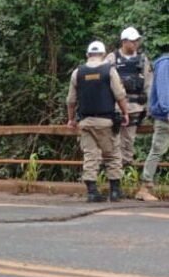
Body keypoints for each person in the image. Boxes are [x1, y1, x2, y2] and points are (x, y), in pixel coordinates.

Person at [66, 40, 129, 202]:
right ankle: (114, 192)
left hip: (85, 122)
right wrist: (125, 113)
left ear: (87, 55)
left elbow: (71, 101)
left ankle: (92, 192)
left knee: (90, 156)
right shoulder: (109, 71)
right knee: (113, 155)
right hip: (106, 121)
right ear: (103, 55)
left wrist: (71, 119)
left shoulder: (77, 73)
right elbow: (120, 95)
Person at [104, 27, 152, 166]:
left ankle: (125, 171)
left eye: (137, 40)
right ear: (124, 42)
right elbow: (104, 82)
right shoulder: (112, 58)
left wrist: (149, 110)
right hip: (115, 108)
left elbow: (149, 84)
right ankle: (114, 173)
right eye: (133, 41)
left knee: (129, 142)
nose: (136, 43)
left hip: (135, 107)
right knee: (114, 141)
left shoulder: (142, 59)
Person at [135, 50, 169, 202]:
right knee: (157, 151)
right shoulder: (165, 63)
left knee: (157, 151)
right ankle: (145, 188)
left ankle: (145, 187)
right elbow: (164, 92)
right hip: (165, 117)